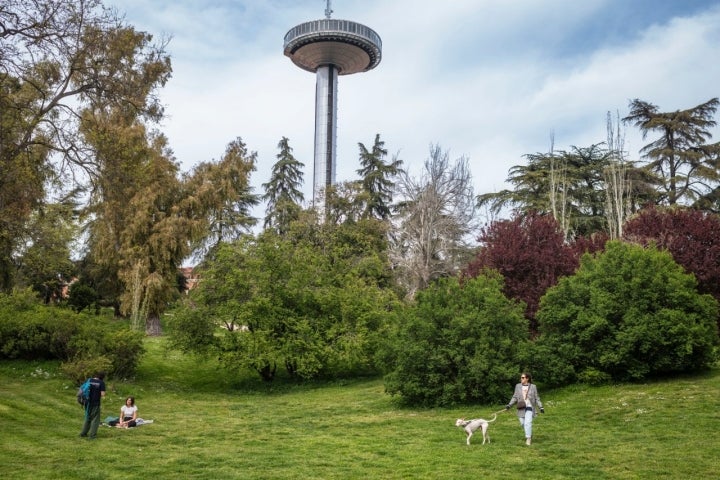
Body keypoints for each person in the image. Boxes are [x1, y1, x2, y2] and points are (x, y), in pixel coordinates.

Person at [505, 372, 544, 445]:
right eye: (521, 377)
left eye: (523, 377)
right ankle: (529, 433)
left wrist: (541, 407)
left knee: (528, 423)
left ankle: (528, 438)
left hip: (529, 407)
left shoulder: (533, 386)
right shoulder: (518, 386)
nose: (521, 379)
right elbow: (515, 397)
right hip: (521, 407)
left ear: (527, 379)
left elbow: (537, 398)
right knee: (523, 423)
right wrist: (509, 405)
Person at [79, 371, 106, 439]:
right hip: (95, 403)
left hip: (86, 402)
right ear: (102, 377)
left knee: (88, 417)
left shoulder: (89, 380)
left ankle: (83, 433)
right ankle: (92, 435)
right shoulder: (101, 383)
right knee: (95, 419)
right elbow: (102, 394)